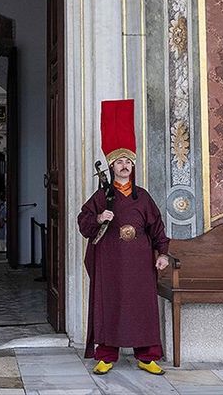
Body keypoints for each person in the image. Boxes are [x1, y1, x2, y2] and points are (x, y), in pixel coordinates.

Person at [77, 99, 169, 376]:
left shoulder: (143, 197)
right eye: (119, 162)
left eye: (128, 161)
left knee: (143, 307)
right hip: (110, 264)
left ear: (133, 165)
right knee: (110, 305)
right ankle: (105, 355)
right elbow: (83, 223)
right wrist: (98, 218)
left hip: (140, 264)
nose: (124, 166)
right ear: (111, 166)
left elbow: (157, 228)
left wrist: (162, 253)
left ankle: (147, 356)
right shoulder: (101, 197)